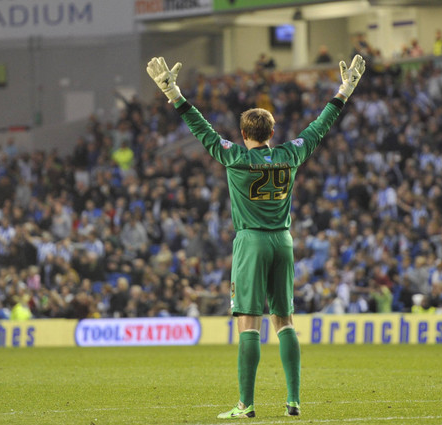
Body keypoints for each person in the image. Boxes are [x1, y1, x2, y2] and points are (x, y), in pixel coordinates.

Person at [147, 54, 366, 419]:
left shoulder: (234, 157)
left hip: (251, 241)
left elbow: (201, 129)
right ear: (272, 133)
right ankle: (293, 400)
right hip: (283, 240)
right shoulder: (290, 155)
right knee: (285, 321)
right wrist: (344, 90)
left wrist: (174, 94)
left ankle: (246, 405)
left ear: (244, 134)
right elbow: (320, 126)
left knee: (249, 323)